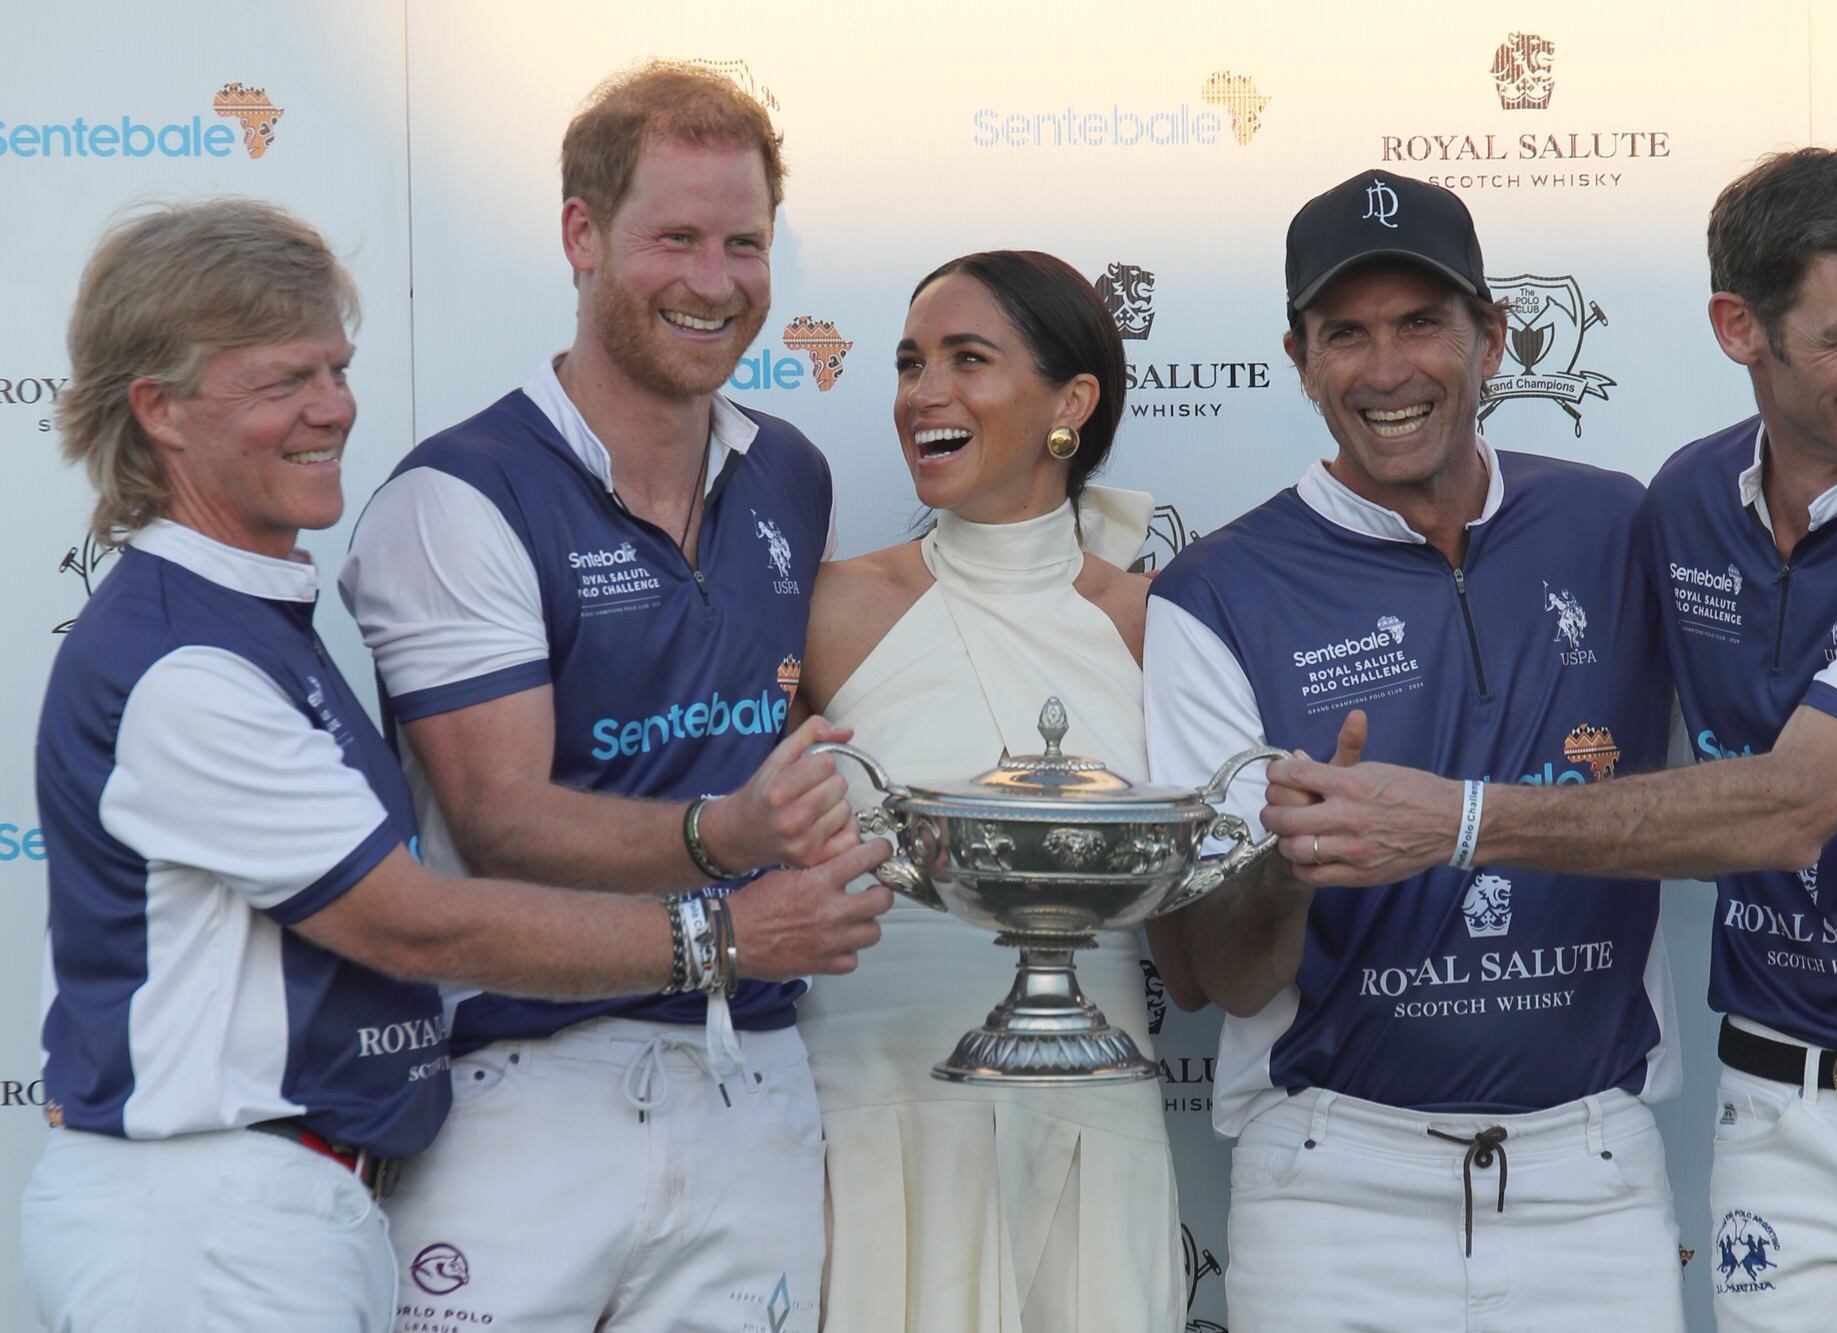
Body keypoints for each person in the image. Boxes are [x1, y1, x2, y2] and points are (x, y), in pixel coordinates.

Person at [22, 198, 887, 1333]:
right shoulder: (185, 662)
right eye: (285, 380)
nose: (332, 409)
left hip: (286, 1200)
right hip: (210, 1215)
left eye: (336, 369)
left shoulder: (243, 620)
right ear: (160, 410)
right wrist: (723, 932)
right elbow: (413, 924)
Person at [1261, 148, 1837, 1330]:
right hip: (1781, 1114)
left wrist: (1455, 820)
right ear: (1735, 327)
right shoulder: (1684, 500)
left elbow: (1791, 802)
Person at [338, 65, 891, 1330]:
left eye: (744, 242)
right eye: (676, 238)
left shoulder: (787, 472)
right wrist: (725, 836)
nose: (715, 280)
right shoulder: (461, 493)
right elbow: (501, 816)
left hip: (752, 1076)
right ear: (582, 236)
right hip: (525, 1086)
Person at [1142, 171, 1684, 1332]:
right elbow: (1230, 980)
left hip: (1591, 1174)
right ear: (1298, 357)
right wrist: (1286, 856)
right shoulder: (1213, 594)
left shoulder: (1617, 524)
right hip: (1331, 1182)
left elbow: (1751, 778)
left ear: (1490, 338)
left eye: (1420, 324)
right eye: (1347, 333)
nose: (1385, 371)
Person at [793, 250, 1182, 1333]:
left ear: (1071, 402)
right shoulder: (828, 609)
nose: (924, 393)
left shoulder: (1159, 623)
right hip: (869, 1111)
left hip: (1087, 1119)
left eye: (968, 359)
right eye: (911, 363)